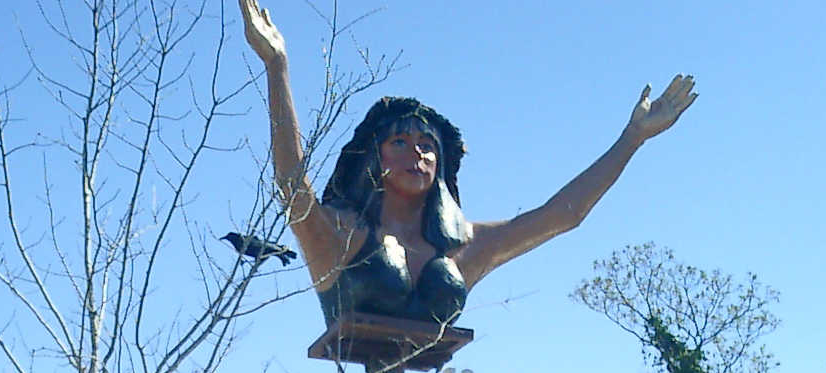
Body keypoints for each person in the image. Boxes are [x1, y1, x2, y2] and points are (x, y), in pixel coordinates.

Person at [238, 0, 697, 325]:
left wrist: (632, 138)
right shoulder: (342, 233)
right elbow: (292, 187)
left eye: (427, 144)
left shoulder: (466, 245)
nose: (418, 152)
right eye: (400, 142)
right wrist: (277, 67)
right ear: (374, 159)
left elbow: (564, 215)